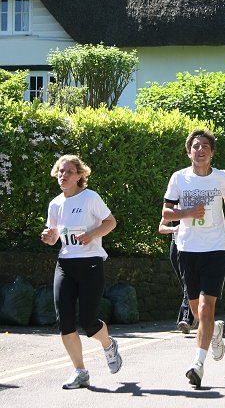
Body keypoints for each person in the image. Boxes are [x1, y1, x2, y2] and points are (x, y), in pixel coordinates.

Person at [162, 129, 225, 388]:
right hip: (186, 248)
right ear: (189, 152)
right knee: (196, 313)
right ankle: (215, 331)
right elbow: (166, 213)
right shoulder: (179, 178)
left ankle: (198, 364)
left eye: (205, 146)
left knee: (206, 308)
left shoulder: (222, 177)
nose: (200, 150)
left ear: (212, 152)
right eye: (196, 146)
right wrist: (187, 212)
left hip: (216, 248)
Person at [40, 155, 122, 390]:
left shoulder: (90, 198)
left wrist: (92, 235)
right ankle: (80, 371)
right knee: (65, 322)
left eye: (68, 172)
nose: (63, 175)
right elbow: (54, 233)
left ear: (79, 176)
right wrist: (49, 237)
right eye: (60, 171)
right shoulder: (55, 204)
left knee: (88, 321)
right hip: (65, 264)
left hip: (90, 263)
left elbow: (110, 222)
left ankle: (108, 345)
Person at [158, 216, 197, 334]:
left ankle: (186, 319)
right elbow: (161, 228)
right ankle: (195, 317)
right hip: (176, 247)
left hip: (195, 248)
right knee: (185, 285)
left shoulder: (196, 203)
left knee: (188, 286)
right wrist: (175, 229)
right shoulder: (173, 206)